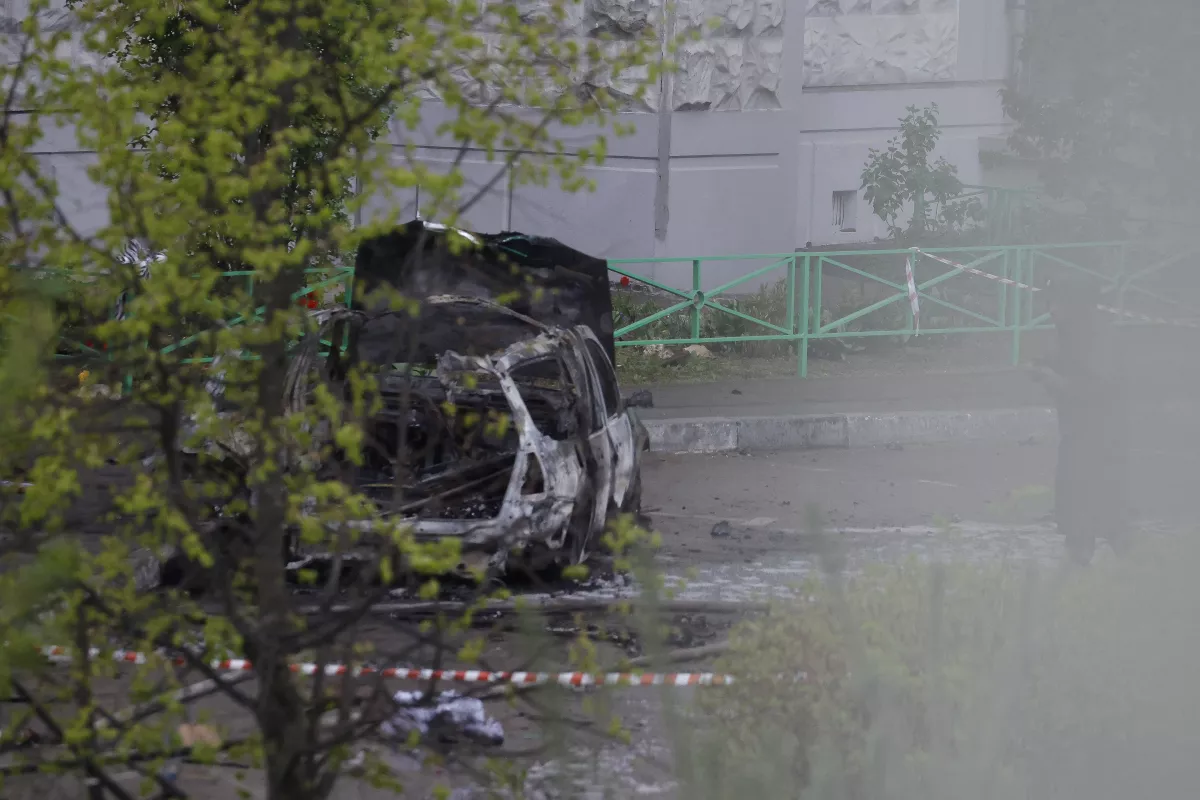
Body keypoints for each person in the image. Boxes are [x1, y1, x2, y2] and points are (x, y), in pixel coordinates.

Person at [1034, 276, 1131, 564]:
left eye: (1058, 303)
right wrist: (1043, 370)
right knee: (1079, 517)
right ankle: (1080, 575)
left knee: (1107, 515)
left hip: (1102, 441)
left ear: (1077, 306)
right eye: (1049, 303)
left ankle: (1139, 579)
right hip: (1078, 437)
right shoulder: (1070, 333)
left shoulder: (1099, 336)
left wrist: (1056, 381)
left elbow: (1103, 388)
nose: (1051, 310)